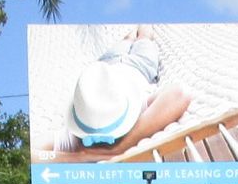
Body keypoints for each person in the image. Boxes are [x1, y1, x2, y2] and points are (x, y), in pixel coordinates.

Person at [55, 27, 191, 159]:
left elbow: (37, 152)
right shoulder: (137, 113)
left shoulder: (76, 135)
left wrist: (84, 156)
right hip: (140, 65)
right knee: (144, 36)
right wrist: (121, 148)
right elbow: (180, 93)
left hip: (107, 65)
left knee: (127, 37)